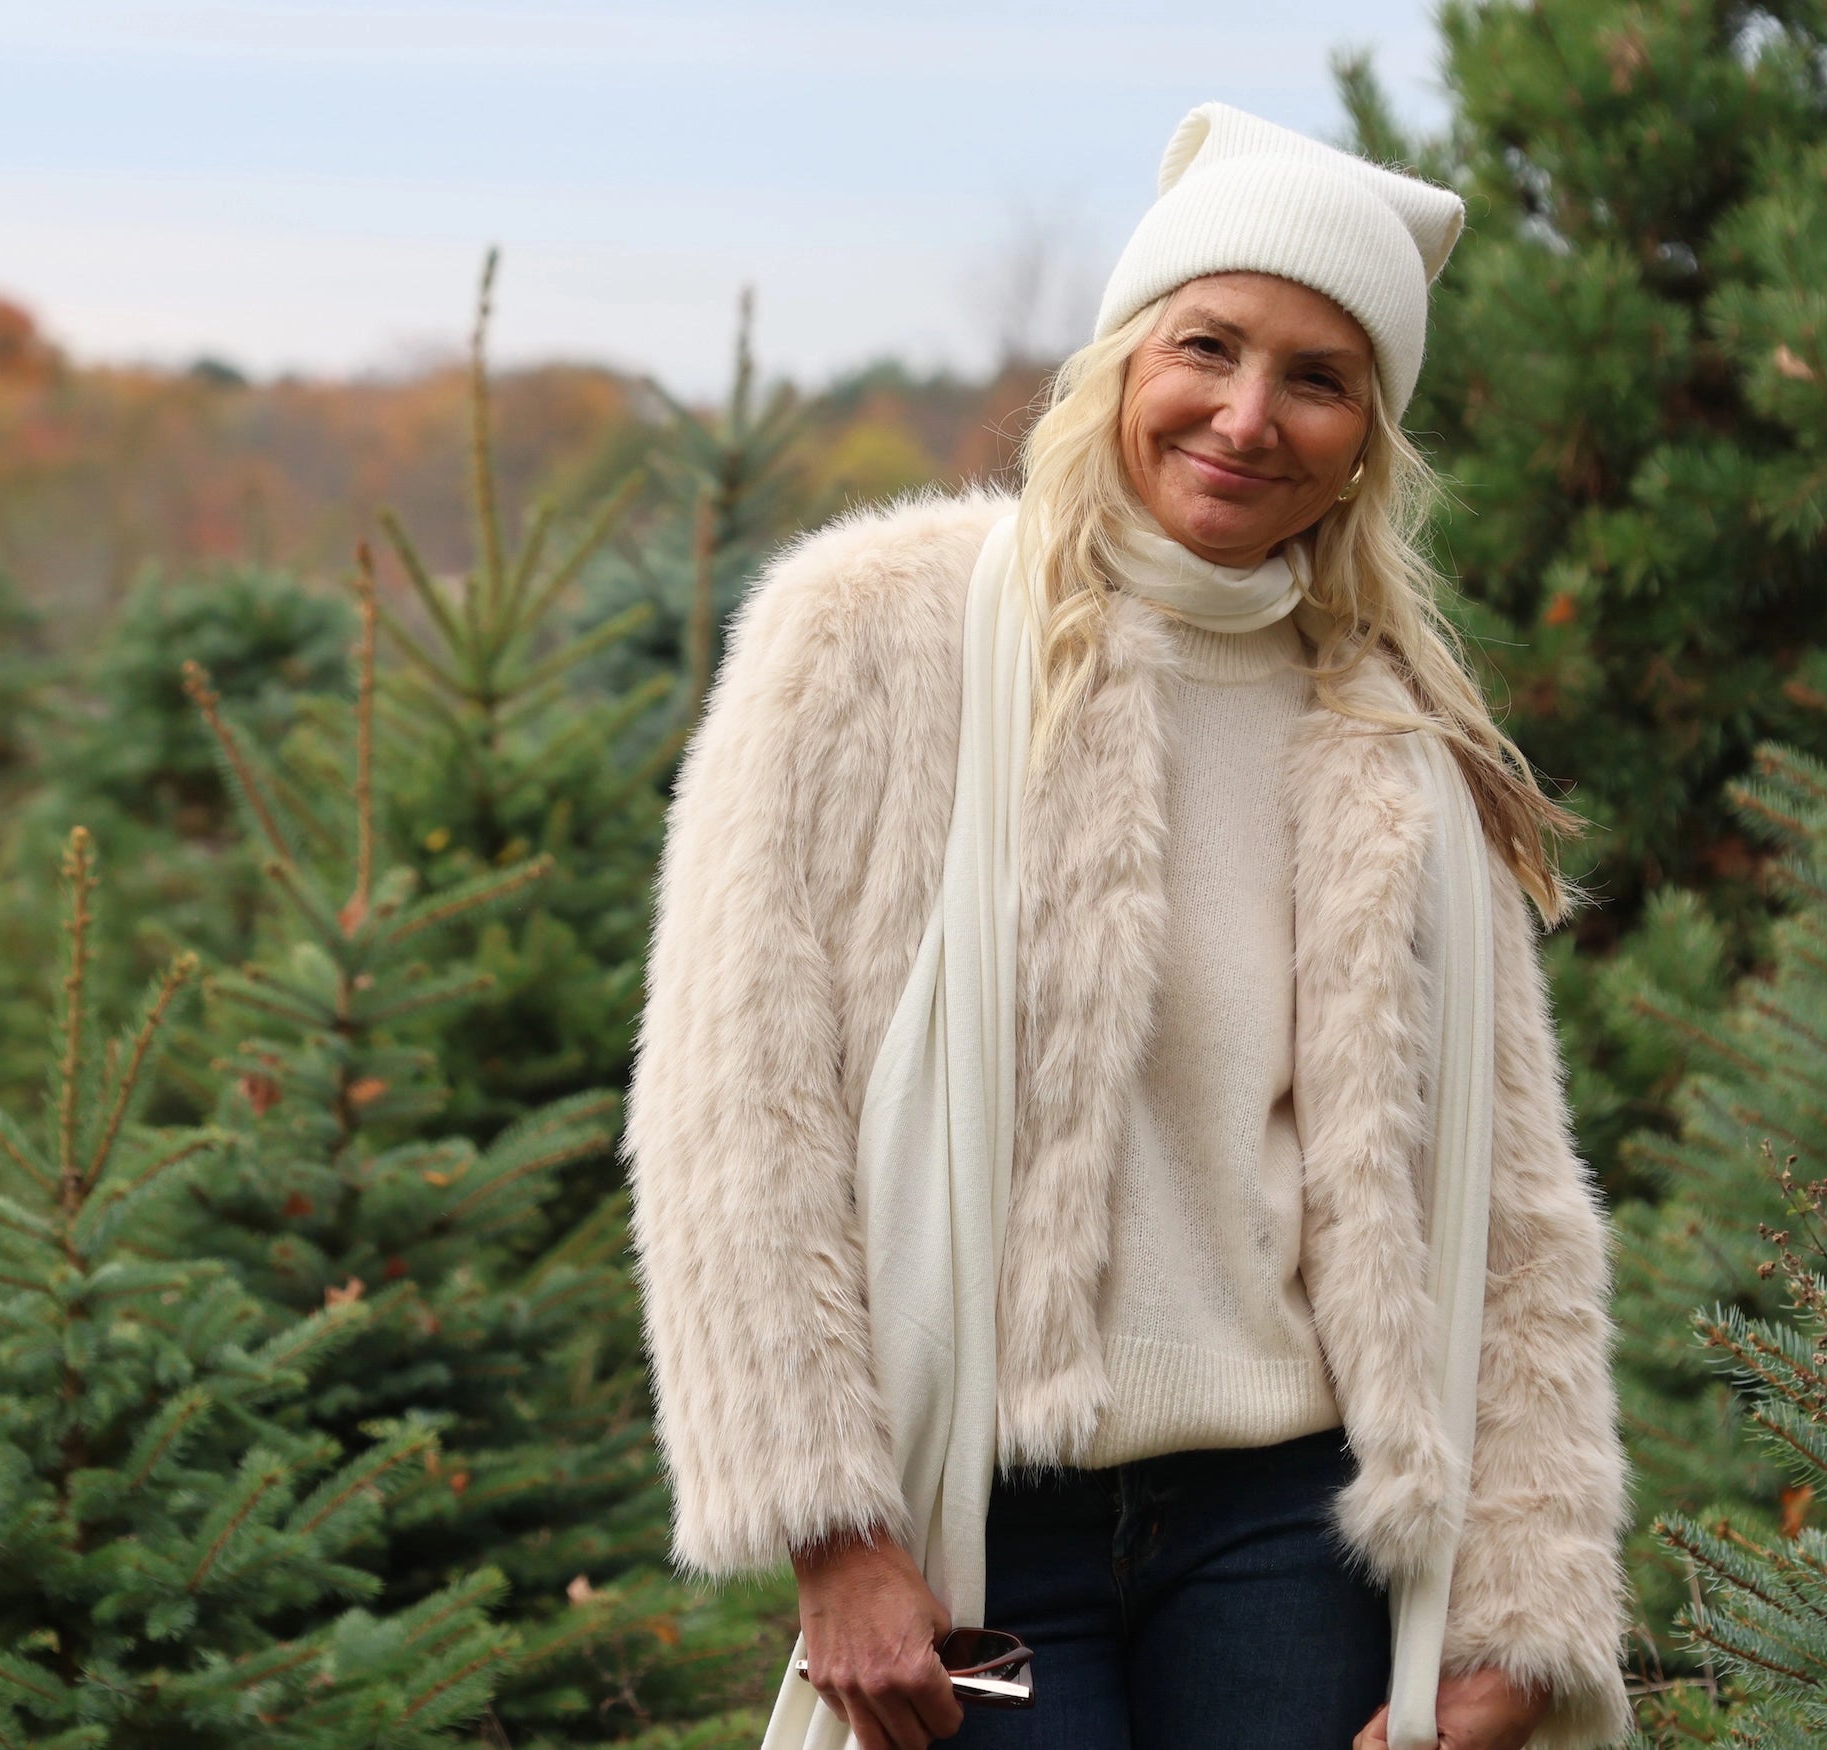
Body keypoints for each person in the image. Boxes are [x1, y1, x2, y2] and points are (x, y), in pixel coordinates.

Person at [624, 104, 1629, 1750]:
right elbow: (735, 1107)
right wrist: (829, 1523)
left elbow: (1514, 1201)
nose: (1248, 417)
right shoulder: (872, 638)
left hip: (1297, 1528)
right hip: (976, 1519)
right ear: (1120, 360)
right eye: (1208, 347)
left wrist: (1528, 1609)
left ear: (1371, 432)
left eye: (1318, 376)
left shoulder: (1400, 744)